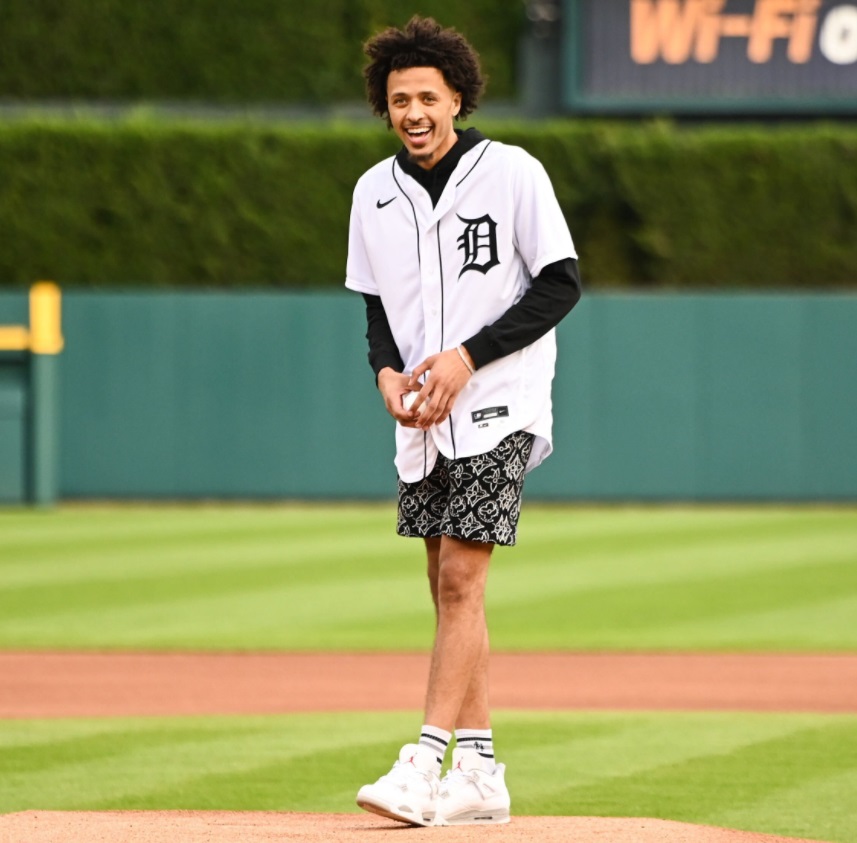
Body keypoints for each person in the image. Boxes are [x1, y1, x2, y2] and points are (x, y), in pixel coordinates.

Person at [345, 15, 581, 828]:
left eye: (426, 96)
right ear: (385, 107)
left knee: (460, 579)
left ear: (457, 99)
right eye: (398, 97)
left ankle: (423, 758)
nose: (412, 110)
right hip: (421, 416)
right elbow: (375, 304)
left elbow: (558, 285)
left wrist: (466, 357)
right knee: (445, 586)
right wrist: (384, 370)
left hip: (499, 402)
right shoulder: (372, 192)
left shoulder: (511, 172)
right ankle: (479, 768)